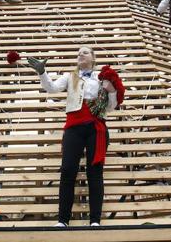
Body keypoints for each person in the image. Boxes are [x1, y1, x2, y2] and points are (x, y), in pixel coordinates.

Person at [28, 47, 119, 227]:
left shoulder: (102, 78)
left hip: (96, 127)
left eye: (84, 52)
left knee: (95, 173)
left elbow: (110, 107)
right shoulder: (70, 76)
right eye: (78, 53)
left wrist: (112, 91)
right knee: (68, 171)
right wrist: (42, 72)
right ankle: (63, 220)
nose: (80, 54)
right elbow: (52, 88)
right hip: (74, 127)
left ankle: (95, 221)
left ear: (93, 58)